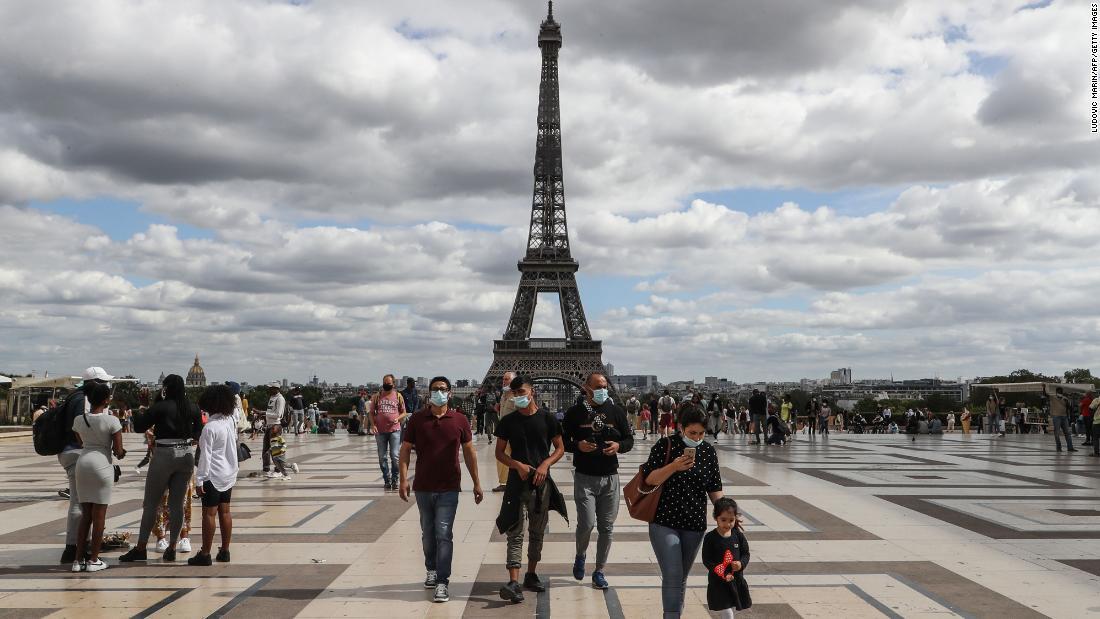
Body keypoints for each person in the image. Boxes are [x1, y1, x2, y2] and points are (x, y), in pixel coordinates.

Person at [399, 376, 484, 603]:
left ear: (450, 392)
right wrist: (403, 479)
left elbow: (469, 453)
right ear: (429, 393)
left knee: (443, 534)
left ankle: (442, 582)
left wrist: (476, 482)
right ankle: (432, 568)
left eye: (443, 389)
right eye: (436, 389)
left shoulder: (460, 420)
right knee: (428, 534)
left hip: (449, 487)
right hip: (424, 487)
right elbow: (406, 449)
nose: (440, 392)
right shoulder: (417, 419)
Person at [642, 407, 724, 618]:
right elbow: (650, 479)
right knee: (673, 574)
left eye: (700, 433)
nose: (696, 438)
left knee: (681, 576)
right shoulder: (666, 445)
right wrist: (673, 467)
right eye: (692, 433)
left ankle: (676, 612)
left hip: (694, 524)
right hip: (664, 521)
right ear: (681, 428)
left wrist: (724, 512)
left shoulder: (707, 451)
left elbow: (714, 486)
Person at [494, 375, 566, 604]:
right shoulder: (508, 421)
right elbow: (499, 453)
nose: (518, 397)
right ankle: (513, 581)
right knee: (515, 532)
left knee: (537, 531)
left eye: (521, 393)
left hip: (540, 482)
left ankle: (531, 574)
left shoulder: (548, 418)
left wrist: (545, 463)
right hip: (517, 481)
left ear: (532, 391)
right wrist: (516, 465)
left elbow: (560, 448)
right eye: (514, 394)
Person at [119, 374, 202, 563]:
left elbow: (139, 426)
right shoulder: (193, 408)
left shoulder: (161, 407)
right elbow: (199, 433)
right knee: (177, 504)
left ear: (166, 389)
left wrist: (142, 405)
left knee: (151, 504)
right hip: (186, 454)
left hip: (164, 453)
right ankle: (172, 546)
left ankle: (141, 548)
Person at [562, 372, 633, 590]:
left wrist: (618, 446)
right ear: (586, 387)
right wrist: (578, 447)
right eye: (598, 386)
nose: (603, 389)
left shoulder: (616, 411)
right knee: (586, 524)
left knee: (607, 528)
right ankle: (581, 555)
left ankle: (599, 570)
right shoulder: (575, 413)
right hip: (584, 476)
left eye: (605, 385)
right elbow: (562, 441)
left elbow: (629, 439)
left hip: (610, 477)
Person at [56, 367, 116, 564]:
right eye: (103, 382)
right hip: (78, 453)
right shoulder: (85, 400)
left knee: (82, 505)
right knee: (78, 504)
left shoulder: (75, 396)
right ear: (95, 382)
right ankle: (72, 548)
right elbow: (83, 433)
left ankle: (80, 546)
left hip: (69, 451)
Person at [71, 381, 126, 572]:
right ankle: (94, 559)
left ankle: (78, 560)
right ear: (106, 399)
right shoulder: (112, 420)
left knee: (85, 515)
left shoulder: (79, 420)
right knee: (99, 516)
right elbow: (118, 451)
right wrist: (120, 451)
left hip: (83, 463)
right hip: (101, 465)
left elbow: (80, 442)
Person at [188, 385, 238, 566]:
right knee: (225, 511)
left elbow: (205, 456)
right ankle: (225, 550)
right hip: (229, 473)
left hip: (213, 475)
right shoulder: (230, 421)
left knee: (209, 514)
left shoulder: (210, 428)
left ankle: (205, 553)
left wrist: (200, 479)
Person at [701, 498, 752, 618]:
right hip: (719, 583)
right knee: (727, 612)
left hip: (736, 581)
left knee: (733, 609)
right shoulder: (710, 538)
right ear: (715, 517)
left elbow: (746, 553)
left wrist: (741, 564)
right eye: (723, 520)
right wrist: (720, 570)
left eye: (731, 520)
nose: (727, 524)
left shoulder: (738, 536)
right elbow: (706, 559)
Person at [371, 374, 408, 491]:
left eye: (389, 383)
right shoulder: (377, 397)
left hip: (395, 430)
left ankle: (395, 479)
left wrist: (398, 418)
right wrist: (373, 425)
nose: (386, 385)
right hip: (380, 431)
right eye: (385, 383)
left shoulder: (398, 396)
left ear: (393, 384)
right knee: (382, 457)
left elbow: (404, 412)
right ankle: (386, 479)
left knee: (395, 456)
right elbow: (371, 413)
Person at [492, 372, 517, 492]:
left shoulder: (518, 396)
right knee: (501, 458)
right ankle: (503, 482)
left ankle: (516, 481)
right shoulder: (503, 396)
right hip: (503, 433)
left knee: (517, 457)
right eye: (503, 379)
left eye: (507, 379)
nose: (504, 381)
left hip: (515, 432)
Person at [262, 383, 285, 475]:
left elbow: (278, 415)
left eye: (271, 388)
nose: (269, 390)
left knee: (276, 449)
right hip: (269, 425)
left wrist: (264, 413)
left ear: (276, 389)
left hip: (275, 426)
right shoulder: (272, 397)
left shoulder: (280, 399)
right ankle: (266, 469)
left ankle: (278, 470)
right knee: (266, 449)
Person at [1047, 386, 1076, 452]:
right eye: (1059, 392)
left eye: (1061, 392)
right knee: (1057, 433)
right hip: (1056, 416)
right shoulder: (1053, 397)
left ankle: (1070, 448)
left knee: (1067, 433)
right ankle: (1059, 447)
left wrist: (1067, 402)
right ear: (1056, 392)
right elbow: (1045, 395)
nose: (1060, 393)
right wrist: (1044, 388)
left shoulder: (1065, 398)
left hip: (1064, 417)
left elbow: (1069, 408)